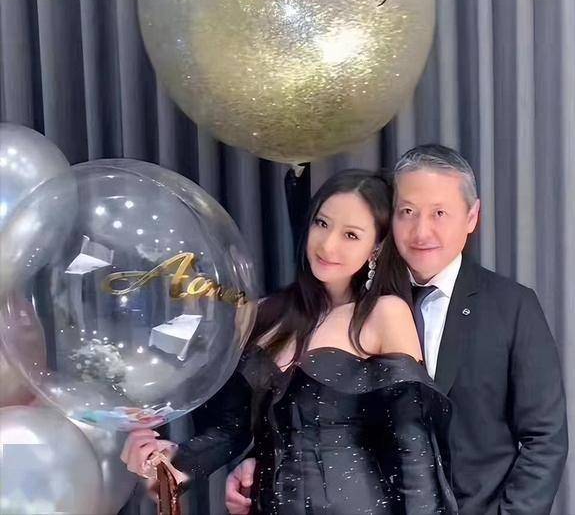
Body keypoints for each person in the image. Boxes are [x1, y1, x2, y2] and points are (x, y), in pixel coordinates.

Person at [227, 146, 568, 515]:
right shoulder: (356, 300)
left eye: (439, 213)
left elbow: (544, 439)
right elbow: (323, 411)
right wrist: (258, 460)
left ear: (472, 217)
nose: (421, 231)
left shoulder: (511, 306)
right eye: (407, 212)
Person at [122, 169, 457, 514]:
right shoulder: (265, 315)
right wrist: (172, 460)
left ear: (377, 247)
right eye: (322, 224)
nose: (327, 244)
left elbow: (414, 453)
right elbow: (231, 430)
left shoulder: (385, 314)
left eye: (351, 235)